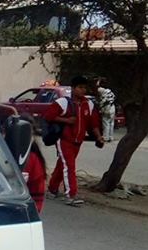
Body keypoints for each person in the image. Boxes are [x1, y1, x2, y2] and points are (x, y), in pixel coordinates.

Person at [45, 75, 104, 206]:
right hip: (64, 139)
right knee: (69, 166)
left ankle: (52, 189)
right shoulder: (62, 103)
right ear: (73, 88)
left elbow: (93, 123)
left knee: (63, 165)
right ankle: (71, 195)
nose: (83, 90)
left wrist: (99, 136)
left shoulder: (88, 104)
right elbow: (48, 116)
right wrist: (66, 120)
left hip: (78, 142)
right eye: (80, 87)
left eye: (84, 88)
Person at [19, 113, 46, 213]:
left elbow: (37, 195)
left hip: (22, 213)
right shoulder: (0, 155)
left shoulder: (33, 160)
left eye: (30, 134)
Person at [97, 77, 116, 142]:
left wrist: (99, 80)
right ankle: (111, 137)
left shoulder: (100, 89)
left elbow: (97, 86)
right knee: (111, 122)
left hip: (106, 107)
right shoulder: (109, 90)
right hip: (112, 107)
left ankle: (106, 137)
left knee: (106, 122)